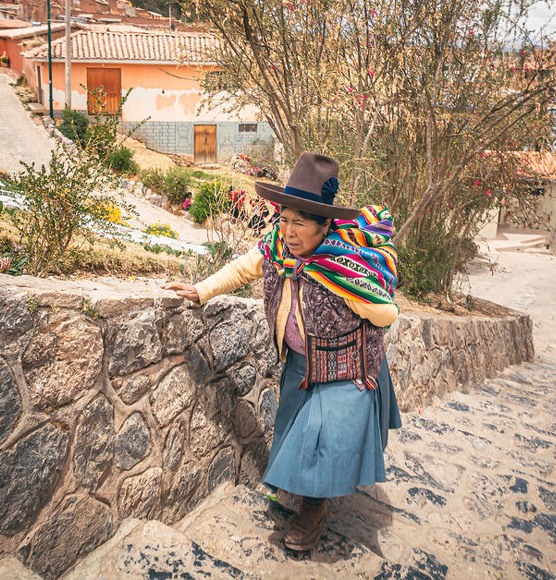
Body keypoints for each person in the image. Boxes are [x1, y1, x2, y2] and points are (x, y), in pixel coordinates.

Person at [163, 152, 401, 552]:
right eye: (284, 219)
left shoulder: (345, 265)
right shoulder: (278, 248)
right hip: (301, 364)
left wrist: (343, 287)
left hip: (344, 368)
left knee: (319, 438)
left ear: (324, 226)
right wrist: (201, 290)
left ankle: (313, 511)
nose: (288, 231)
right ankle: (305, 492)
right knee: (297, 433)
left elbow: (385, 312)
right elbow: (243, 267)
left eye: (299, 223)